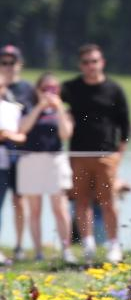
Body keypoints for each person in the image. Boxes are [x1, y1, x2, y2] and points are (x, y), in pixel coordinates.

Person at [61, 43, 130, 264]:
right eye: (86, 62)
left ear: (102, 63)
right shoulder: (70, 88)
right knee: (81, 201)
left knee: (108, 202)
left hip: (106, 155)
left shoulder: (114, 89)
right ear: (80, 65)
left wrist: (119, 155)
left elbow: (125, 125)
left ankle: (113, 245)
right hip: (78, 155)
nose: (91, 66)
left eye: (95, 61)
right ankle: (88, 244)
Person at [15, 74, 75, 263]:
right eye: (45, 89)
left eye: (54, 89)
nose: (50, 93)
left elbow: (65, 134)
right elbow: (22, 129)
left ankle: (66, 250)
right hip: (31, 160)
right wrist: (40, 107)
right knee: (34, 210)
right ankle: (38, 252)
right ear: (37, 90)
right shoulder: (28, 107)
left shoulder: (63, 110)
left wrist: (59, 109)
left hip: (54, 161)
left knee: (60, 208)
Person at [1, 44, 36, 262]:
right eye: (3, 62)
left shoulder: (27, 89)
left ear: (19, 64)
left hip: (21, 154)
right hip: (2, 155)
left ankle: (20, 245)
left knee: (19, 200)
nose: (7, 66)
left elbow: (32, 120)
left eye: (11, 62)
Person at [0, 72, 25, 265]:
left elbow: (22, 135)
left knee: (18, 203)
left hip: (11, 162)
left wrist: (8, 135)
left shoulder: (12, 109)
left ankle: (18, 247)